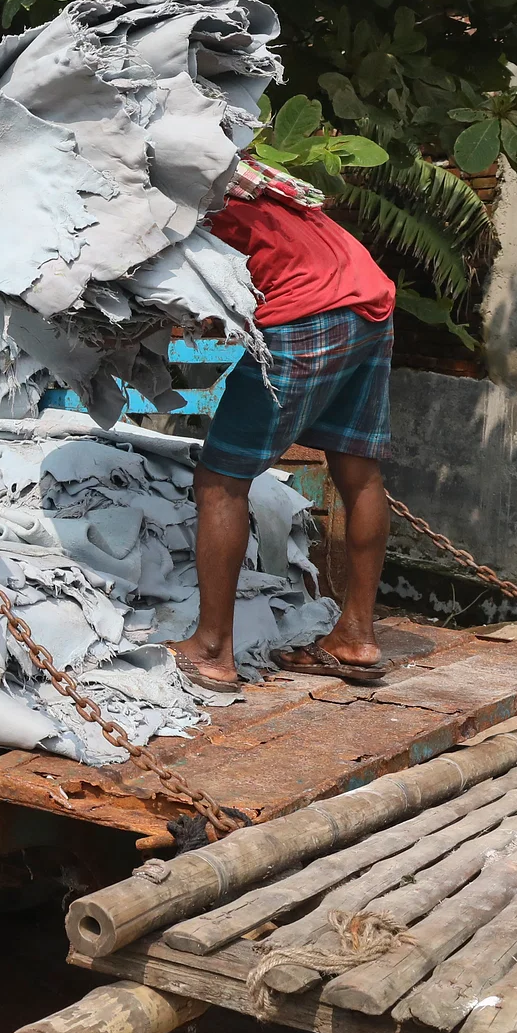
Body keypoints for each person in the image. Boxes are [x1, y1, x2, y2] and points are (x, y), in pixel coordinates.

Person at [170, 158, 396, 692]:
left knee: (220, 481)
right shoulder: (248, 178)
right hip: (370, 300)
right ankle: (357, 636)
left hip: (305, 311)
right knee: (358, 470)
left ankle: (210, 650)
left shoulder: (172, 195)